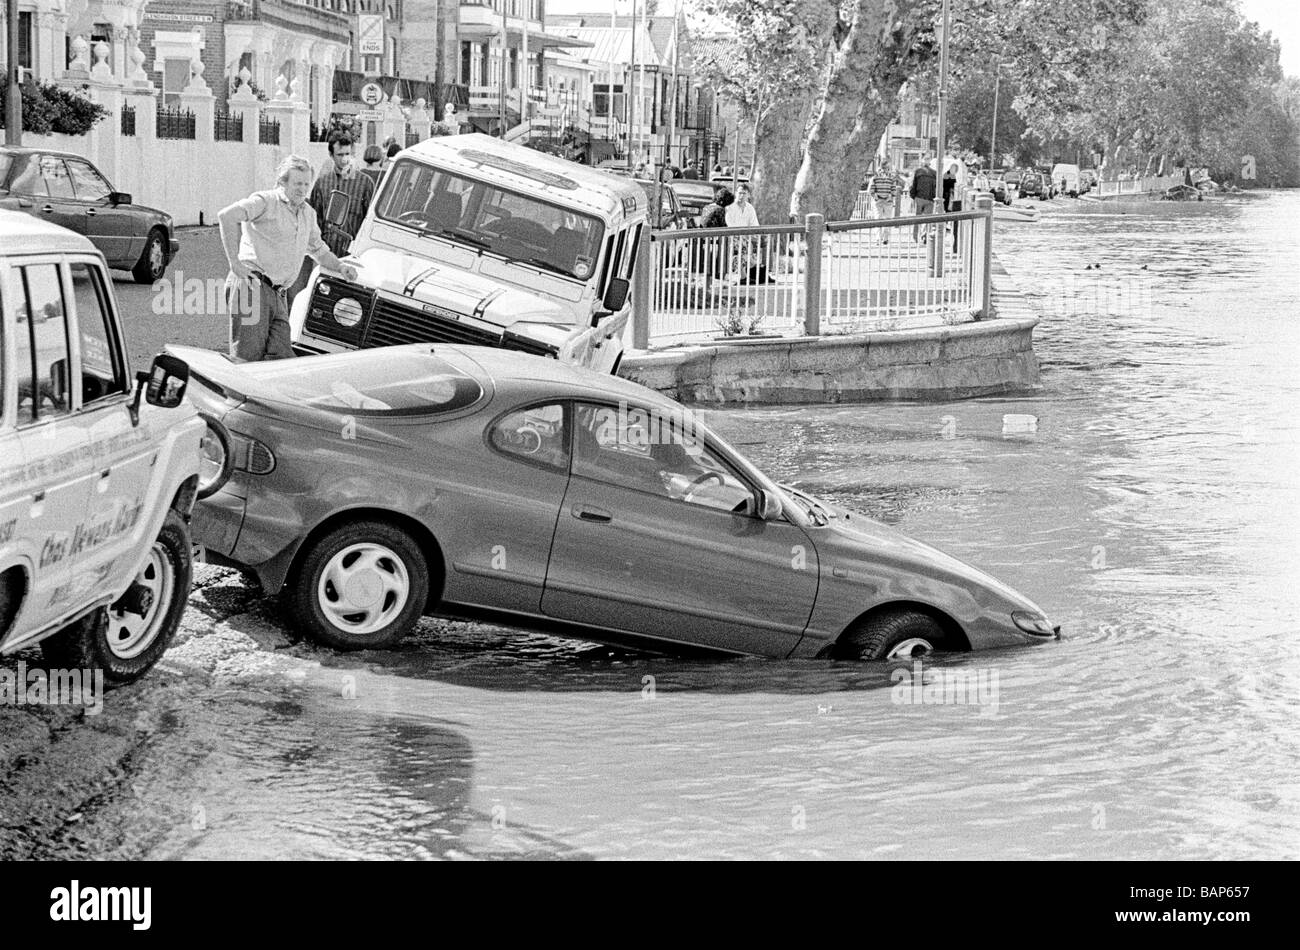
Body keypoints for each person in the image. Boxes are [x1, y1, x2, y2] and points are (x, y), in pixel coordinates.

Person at [218, 155, 358, 362]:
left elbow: (318, 250)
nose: (302, 189)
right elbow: (227, 216)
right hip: (253, 286)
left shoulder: (307, 214)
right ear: (282, 182)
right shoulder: (265, 201)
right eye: (297, 183)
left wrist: (340, 266)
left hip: (278, 294)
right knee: (246, 360)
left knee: (281, 359)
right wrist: (235, 264)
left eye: (306, 184)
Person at [310, 132, 376, 258]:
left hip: (352, 254)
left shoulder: (365, 183)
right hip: (325, 253)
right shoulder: (322, 183)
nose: (344, 159)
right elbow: (314, 218)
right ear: (331, 155)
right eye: (340, 155)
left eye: (347, 154)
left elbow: (369, 220)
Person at [867, 161, 901, 243]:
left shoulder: (888, 177)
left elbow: (893, 189)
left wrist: (891, 195)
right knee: (881, 219)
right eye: (886, 167)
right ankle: (880, 238)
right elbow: (870, 189)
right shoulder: (876, 177)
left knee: (883, 219)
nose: (887, 169)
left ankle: (884, 238)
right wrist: (875, 196)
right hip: (880, 200)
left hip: (885, 201)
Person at [909, 153, 937, 242]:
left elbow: (913, 185)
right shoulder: (921, 172)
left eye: (928, 159)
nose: (926, 160)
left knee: (922, 219)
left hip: (925, 198)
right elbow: (913, 184)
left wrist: (913, 196)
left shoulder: (930, 172)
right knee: (922, 219)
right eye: (926, 159)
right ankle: (919, 236)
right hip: (924, 198)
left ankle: (921, 236)